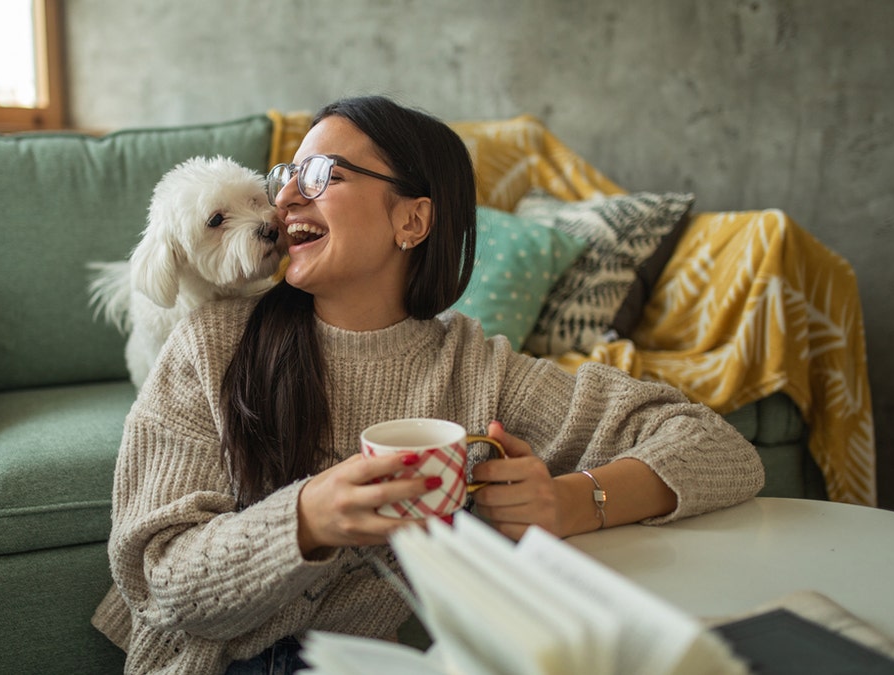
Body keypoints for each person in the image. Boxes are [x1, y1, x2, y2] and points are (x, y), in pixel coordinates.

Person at [92, 95, 764, 674]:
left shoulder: (476, 370)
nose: (286, 195)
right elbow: (154, 576)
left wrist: (570, 500)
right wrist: (306, 520)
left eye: (321, 174)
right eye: (286, 174)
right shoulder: (211, 344)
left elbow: (714, 446)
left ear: (411, 220)